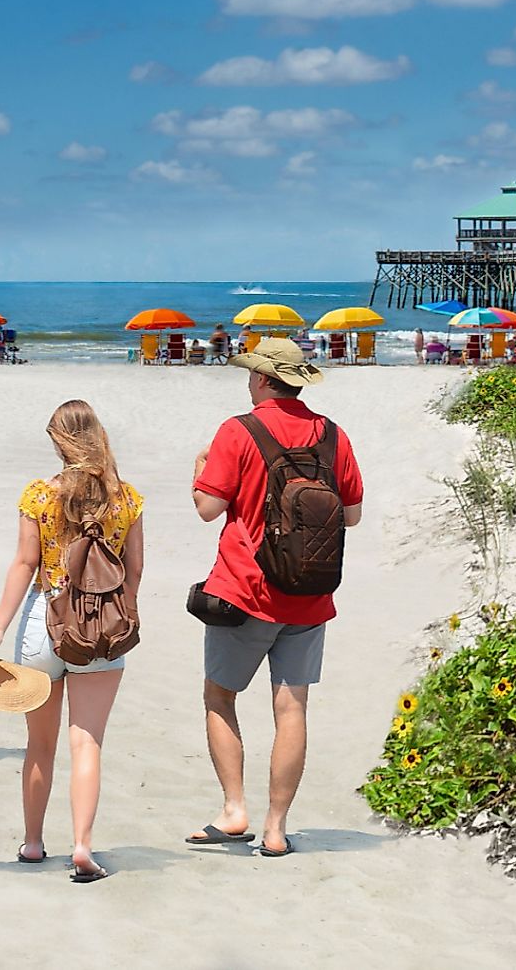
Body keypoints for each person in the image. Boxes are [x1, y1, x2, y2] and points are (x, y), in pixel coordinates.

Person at [188, 337, 364, 857]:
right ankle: (276, 827)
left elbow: (206, 507)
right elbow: (351, 515)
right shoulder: (333, 435)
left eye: (250, 374)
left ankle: (234, 808)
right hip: (310, 594)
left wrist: (200, 469)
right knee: (292, 710)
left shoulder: (238, 430)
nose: (247, 381)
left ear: (263, 380)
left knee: (220, 697)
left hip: (244, 591)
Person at [0, 400, 144, 882]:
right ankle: (84, 846)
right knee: (86, 743)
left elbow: (24, 565)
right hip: (103, 630)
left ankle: (32, 843)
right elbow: (134, 571)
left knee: (39, 744)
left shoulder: (38, 495)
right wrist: (120, 613)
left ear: (57, 441)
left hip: (42, 624)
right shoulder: (126, 498)